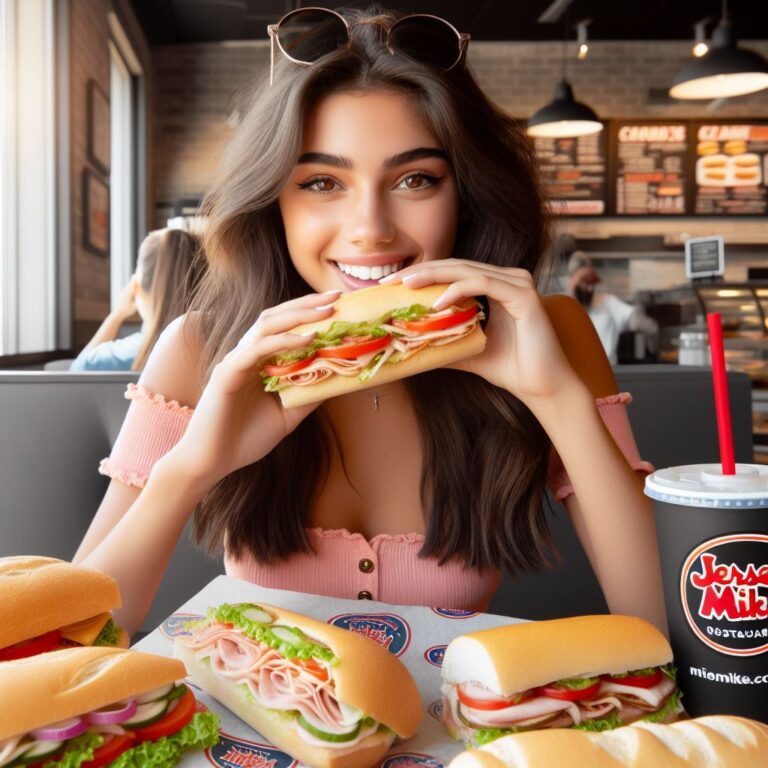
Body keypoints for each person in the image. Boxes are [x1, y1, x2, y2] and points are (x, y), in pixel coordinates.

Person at [74, 6, 666, 638]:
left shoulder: (548, 332)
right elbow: (78, 635)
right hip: (258, 727)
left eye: (416, 179)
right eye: (323, 183)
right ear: (274, 204)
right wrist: (192, 467)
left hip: (463, 729)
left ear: (466, 197)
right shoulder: (204, 347)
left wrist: (556, 397)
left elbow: (670, 629)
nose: (370, 229)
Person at [69, 228, 204, 371]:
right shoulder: (216, 348)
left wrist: (116, 316)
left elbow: (78, 370)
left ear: (136, 287)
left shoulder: (131, 353)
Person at [567, 253, 658, 365]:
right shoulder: (563, 311)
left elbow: (644, 324)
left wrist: (654, 351)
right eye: (584, 282)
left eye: (592, 283)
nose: (590, 289)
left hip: (606, 374)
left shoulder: (608, 303)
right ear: (571, 281)